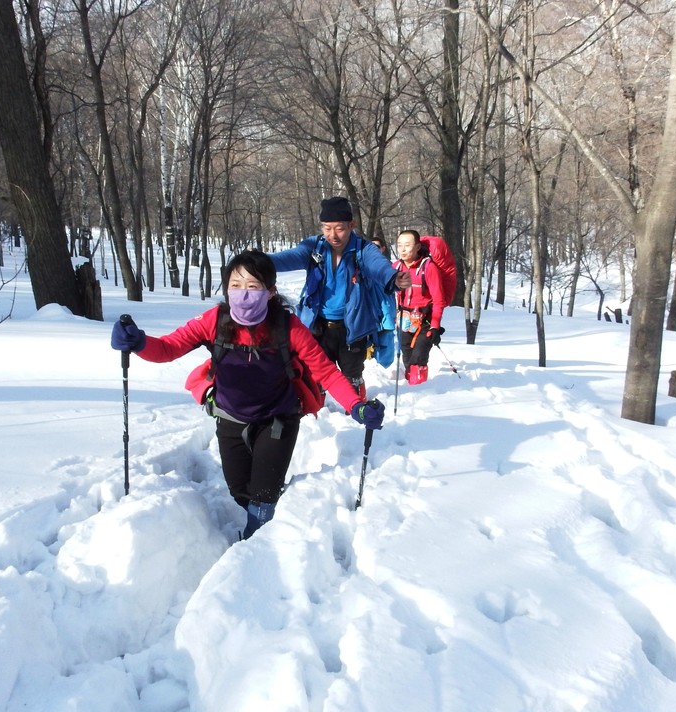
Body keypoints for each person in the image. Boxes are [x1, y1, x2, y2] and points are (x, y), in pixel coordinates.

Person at [110, 250, 385, 539]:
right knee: (239, 489)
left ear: (270, 292)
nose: (243, 293)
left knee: (263, 494)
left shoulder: (287, 327)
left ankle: (256, 540)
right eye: (235, 285)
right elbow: (168, 348)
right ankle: (262, 510)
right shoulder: (214, 320)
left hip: (278, 418)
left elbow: (326, 372)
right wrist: (138, 342)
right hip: (230, 416)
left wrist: (356, 406)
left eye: (253, 286)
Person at [269, 196, 411, 400]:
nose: (333, 235)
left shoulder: (363, 250)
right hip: (318, 328)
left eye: (339, 228)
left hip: (353, 329)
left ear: (351, 225)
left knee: (352, 377)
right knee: (315, 377)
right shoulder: (315, 247)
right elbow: (288, 258)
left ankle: (357, 411)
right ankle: (317, 411)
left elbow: (378, 265)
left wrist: (394, 277)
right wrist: (259, 260)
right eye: (327, 228)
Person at [393, 229, 447, 385]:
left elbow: (439, 299)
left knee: (419, 357)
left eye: (407, 245)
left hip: (425, 320)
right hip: (404, 319)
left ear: (417, 247)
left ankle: (419, 389)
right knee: (407, 356)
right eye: (399, 245)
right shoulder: (395, 267)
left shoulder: (428, 268)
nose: (403, 249)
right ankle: (409, 385)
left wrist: (435, 326)